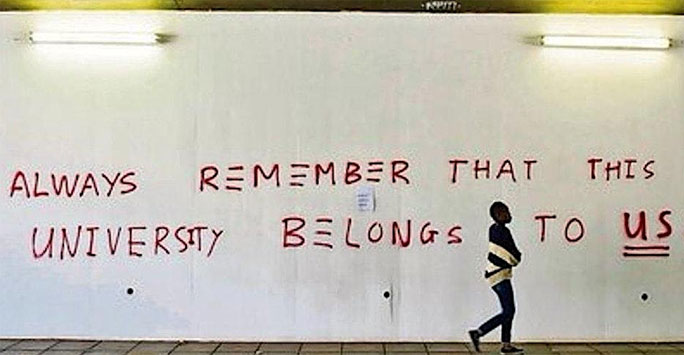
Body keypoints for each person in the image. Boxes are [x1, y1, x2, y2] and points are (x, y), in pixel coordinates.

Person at [469, 201, 523, 354]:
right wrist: (517, 258)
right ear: (497, 215)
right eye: (505, 212)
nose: (509, 214)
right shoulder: (502, 232)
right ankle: (479, 332)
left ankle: (506, 346)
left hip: (496, 275)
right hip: (499, 275)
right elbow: (511, 255)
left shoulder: (494, 229)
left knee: (508, 310)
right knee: (508, 311)